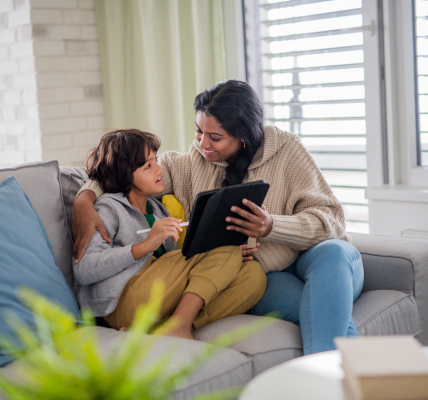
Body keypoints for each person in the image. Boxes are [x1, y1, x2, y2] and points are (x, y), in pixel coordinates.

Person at [73, 80, 364, 354]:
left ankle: (332, 384)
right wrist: (84, 200)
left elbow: (332, 219)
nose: (203, 143)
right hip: (266, 272)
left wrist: (271, 226)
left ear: (244, 136)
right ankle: (353, 381)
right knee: (320, 309)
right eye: (198, 131)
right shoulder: (190, 163)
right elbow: (124, 169)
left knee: (334, 255)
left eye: (215, 137)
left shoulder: (286, 151)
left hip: (316, 254)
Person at [74, 128, 267, 340]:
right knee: (222, 248)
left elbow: (177, 265)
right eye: (148, 166)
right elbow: (84, 269)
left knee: (253, 275)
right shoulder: (108, 209)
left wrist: (225, 260)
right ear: (124, 175)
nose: (159, 169)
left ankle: (165, 330)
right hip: (123, 301)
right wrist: (145, 246)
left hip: (157, 298)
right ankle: (180, 324)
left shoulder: (157, 210)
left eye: (156, 160)